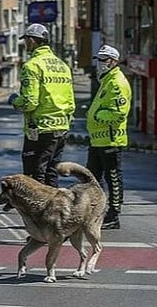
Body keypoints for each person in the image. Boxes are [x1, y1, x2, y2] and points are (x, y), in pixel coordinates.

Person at [8, 23, 75, 188]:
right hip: (61, 129)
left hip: (40, 130)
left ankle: (40, 211)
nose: (25, 45)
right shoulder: (62, 66)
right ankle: (56, 210)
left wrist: (14, 100)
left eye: (26, 41)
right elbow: (71, 102)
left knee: (35, 174)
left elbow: (30, 103)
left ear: (31, 41)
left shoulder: (32, 66)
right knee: (51, 172)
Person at [86, 44, 132, 230]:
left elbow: (119, 113)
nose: (100, 63)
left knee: (113, 177)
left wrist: (97, 116)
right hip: (98, 139)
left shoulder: (117, 82)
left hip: (110, 139)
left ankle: (113, 215)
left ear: (114, 61)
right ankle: (93, 212)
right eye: (98, 59)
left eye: (104, 60)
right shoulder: (107, 80)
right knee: (92, 178)